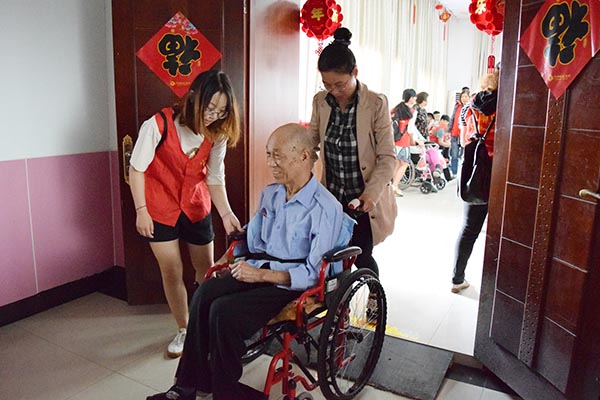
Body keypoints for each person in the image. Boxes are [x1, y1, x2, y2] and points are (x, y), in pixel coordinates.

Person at [147, 123, 351, 400]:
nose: (271, 163)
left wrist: (261, 275)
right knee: (205, 293)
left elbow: (314, 273)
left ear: (304, 156)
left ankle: (226, 391)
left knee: (224, 311)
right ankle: (188, 385)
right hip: (258, 267)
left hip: (289, 282)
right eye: (268, 154)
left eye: (278, 156)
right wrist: (225, 259)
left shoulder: (326, 207)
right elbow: (251, 239)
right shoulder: (272, 193)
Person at [129, 70, 242, 357]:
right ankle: (184, 329)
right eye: (210, 108)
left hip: (195, 205)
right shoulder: (157, 125)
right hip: (158, 207)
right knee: (172, 270)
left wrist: (226, 214)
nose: (213, 116)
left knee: (206, 270)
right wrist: (141, 211)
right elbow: (137, 169)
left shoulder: (216, 133)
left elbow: (214, 177)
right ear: (193, 98)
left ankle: (206, 325)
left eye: (221, 111)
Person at [308, 27, 397, 276]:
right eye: (327, 84)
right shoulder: (320, 102)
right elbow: (310, 142)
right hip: (332, 197)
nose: (334, 91)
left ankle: (373, 296)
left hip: (363, 198)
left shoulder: (375, 103)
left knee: (361, 255)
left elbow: (387, 157)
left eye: (340, 84)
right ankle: (340, 299)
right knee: (330, 256)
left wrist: (371, 194)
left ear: (355, 72)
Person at [451, 71, 498, 293]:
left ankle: (457, 279)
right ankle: (498, 287)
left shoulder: (469, 106)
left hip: (475, 172)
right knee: (501, 232)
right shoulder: (508, 105)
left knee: (469, 228)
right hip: (500, 172)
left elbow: (463, 140)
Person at [391, 88, 420, 197]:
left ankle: (391, 185)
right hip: (404, 141)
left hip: (393, 140)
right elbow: (410, 130)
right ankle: (395, 186)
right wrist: (413, 141)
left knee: (396, 163)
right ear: (411, 98)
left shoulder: (395, 109)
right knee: (404, 164)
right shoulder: (412, 112)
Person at [448, 89, 470, 175]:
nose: (464, 98)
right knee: (454, 155)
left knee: (464, 155)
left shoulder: (470, 107)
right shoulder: (457, 106)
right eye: (462, 96)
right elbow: (452, 117)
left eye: (466, 96)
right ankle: (454, 172)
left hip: (465, 135)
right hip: (455, 133)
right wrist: (449, 129)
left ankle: (462, 173)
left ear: (469, 97)